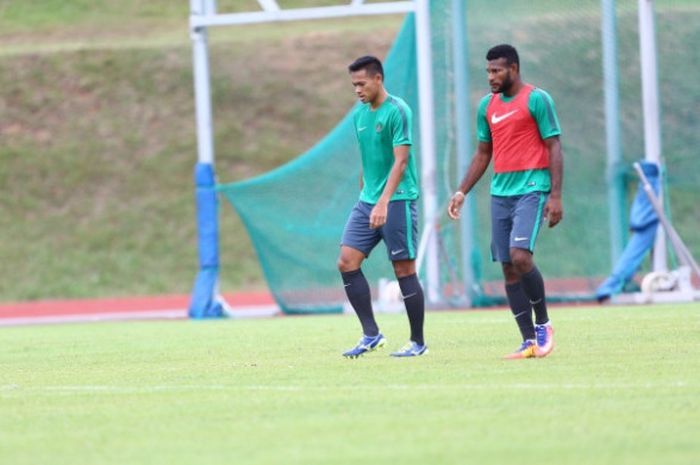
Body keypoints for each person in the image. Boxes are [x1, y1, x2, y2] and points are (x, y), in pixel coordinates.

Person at [447, 44, 563, 359]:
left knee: (520, 256)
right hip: (501, 194)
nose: (491, 77)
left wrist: (555, 194)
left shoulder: (537, 99)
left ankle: (544, 325)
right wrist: (461, 191)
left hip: (532, 187)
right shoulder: (487, 106)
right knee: (509, 269)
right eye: (488, 71)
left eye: (497, 70)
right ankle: (528, 341)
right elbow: (483, 153)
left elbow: (554, 146)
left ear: (513, 68)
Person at [337, 55, 427, 359]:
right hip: (368, 201)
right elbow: (368, 158)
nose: (357, 90)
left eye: (361, 83)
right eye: (353, 85)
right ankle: (371, 335)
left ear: (378, 79)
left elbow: (401, 161)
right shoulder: (359, 116)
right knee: (347, 261)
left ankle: (417, 342)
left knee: (403, 269)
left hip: (397, 199)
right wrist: (367, 194)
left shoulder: (398, 111)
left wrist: (384, 201)